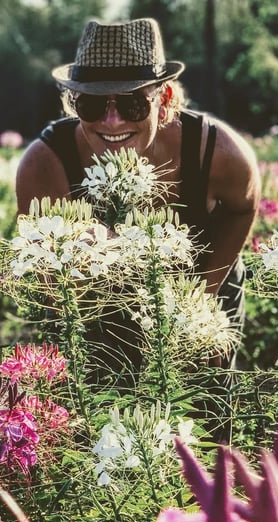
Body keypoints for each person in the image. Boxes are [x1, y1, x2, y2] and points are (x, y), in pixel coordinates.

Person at [16, 18, 260, 375]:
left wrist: (200, 301)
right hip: (95, 300)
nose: (112, 122)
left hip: (201, 279)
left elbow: (243, 206)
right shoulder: (44, 163)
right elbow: (52, 281)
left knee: (207, 411)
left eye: (132, 104)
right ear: (72, 103)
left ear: (165, 98)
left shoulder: (216, 150)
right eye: (92, 104)